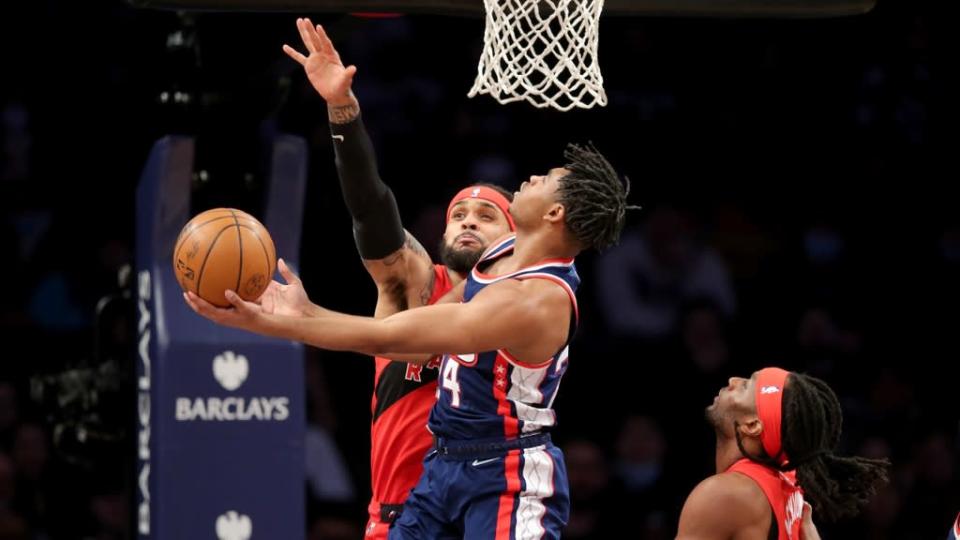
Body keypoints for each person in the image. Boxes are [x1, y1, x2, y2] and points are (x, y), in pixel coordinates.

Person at [184, 82, 634, 539]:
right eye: (460, 214)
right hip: (438, 470)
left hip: (505, 470)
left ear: (554, 213)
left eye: (545, 179)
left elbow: (392, 338)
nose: (533, 177)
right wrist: (306, 313)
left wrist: (274, 324)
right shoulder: (485, 263)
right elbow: (394, 303)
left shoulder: (534, 300)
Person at [277, 17, 517, 538]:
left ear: (514, 237)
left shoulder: (525, 303)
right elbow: (371, 208)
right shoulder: (415, 281)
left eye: (486, 215)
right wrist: (343, 110)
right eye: (459, 214)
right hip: (400, 518)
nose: (468, 220)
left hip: (484, 517)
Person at [676, 367, 889, 539]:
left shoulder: (725, 494)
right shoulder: (789, 487)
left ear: (752, 426)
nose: (733, 380)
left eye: (745, 386)